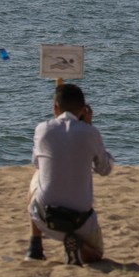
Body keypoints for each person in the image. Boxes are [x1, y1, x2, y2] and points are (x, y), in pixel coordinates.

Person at [25, 83, 114, 265]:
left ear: (55, 108)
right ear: (83, 110)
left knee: (38, 175)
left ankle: (35, 247)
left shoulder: (42, 129)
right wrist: (88, 126)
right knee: (96, 254)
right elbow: (104, 169)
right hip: (79, 222)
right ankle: (79, 249)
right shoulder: (90, 132)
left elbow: (37, 162)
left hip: (46, 217)